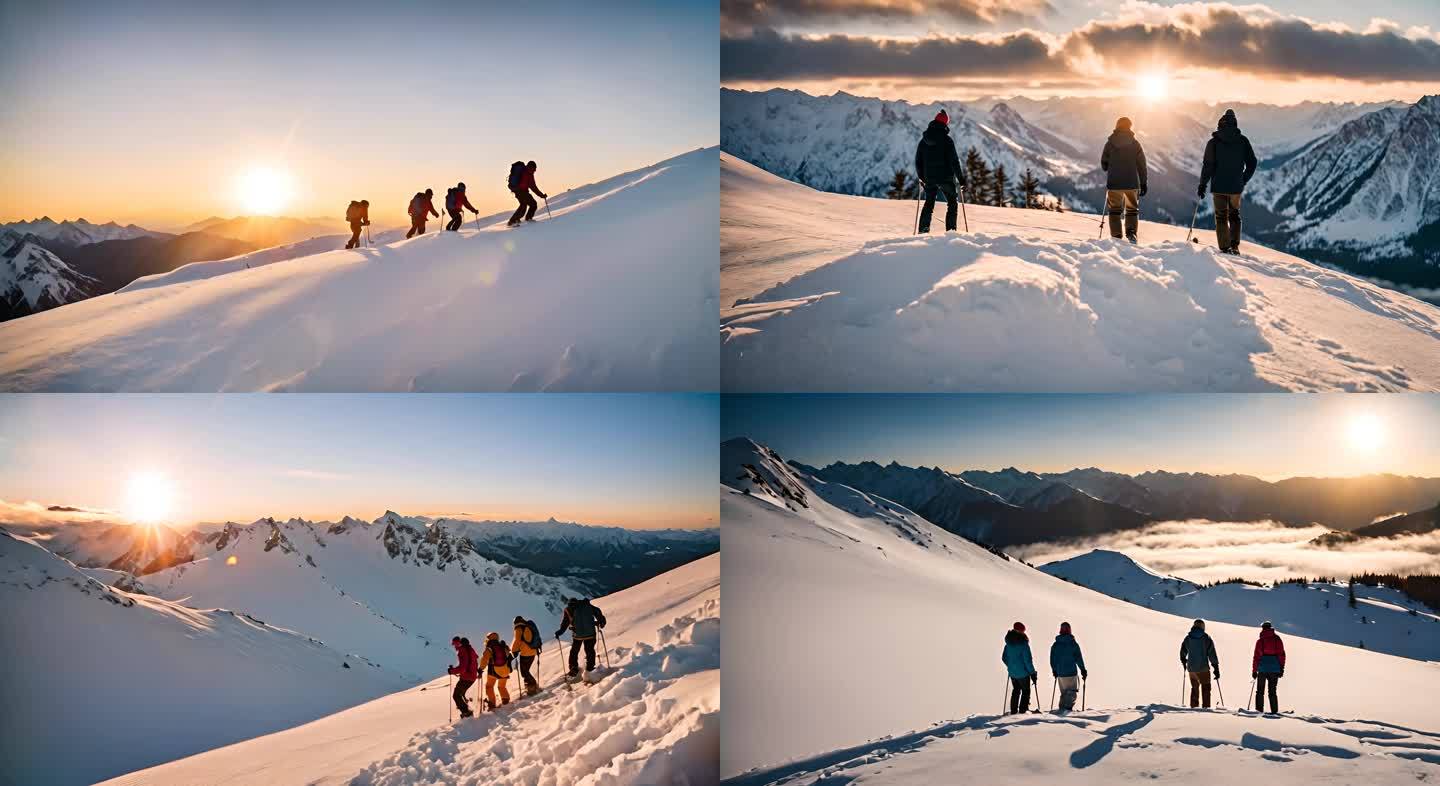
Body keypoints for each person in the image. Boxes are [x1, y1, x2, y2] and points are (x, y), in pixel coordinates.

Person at [1197, 109, 1259, 255]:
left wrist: (1202, 184)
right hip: (1236, 187)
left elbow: (1208, 165)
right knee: (1234, 215)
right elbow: (1252, 162)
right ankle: (1234, 245)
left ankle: (1224, 247)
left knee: (1221, 216)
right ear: (1235, 124)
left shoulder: (1213, 142)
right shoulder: (1243, 141)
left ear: (1220, 124)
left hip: (1218, 186)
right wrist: (1244, 178)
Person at [913, 110, 964, 234]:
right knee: (952, 203)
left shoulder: (924, 140)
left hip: (929, 178)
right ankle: (951, 232)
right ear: (945, 124)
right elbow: (954, 162)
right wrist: (961, 180)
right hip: (946, 178)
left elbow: (918, 161)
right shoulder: (947, 141)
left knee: (929, 203)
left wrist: (922, 178)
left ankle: (923, 230)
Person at [1100, 117, 1148, 242]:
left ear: (1117, 126)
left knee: (1115, 210)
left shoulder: (1110, 143)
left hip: (1114, 184)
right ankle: (1131, 233)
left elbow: (1104, 164)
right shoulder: (1135, 144)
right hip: (1132, 183)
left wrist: (1110, 166)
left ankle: (1116, 236)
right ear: (1129, 127)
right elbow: (1142, 165)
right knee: (1132, 209)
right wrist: (1143, 183)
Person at [556, 596, 607, 680]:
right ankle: (590, 668)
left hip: (578, 635)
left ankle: (574, 669)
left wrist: (560, 632)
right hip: (590, 634)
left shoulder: (568, 609)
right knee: (590, 650)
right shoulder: (587, 606)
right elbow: (597, 611)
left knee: (574, 651)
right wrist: (601, 621)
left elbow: (565, 622)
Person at [1180, 619, 1220, 708]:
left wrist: (1183, 659)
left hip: (1191, 669)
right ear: (1202, 627)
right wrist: (1215, 667)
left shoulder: (1188, 637)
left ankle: (1194, 707)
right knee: (1206, 688)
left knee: (1194, 689)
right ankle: (1206, 708)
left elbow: (1183, 649)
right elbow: (1211, 653)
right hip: (1203, 669)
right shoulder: (1206, 638)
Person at [1049, 621, 1088, 711]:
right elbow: (1078, 658)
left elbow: (1052, 659)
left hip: (1060, 673)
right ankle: (1066, 711)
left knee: (1064, 693)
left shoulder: (1056, 645)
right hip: (1071, 672)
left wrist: (1054, 670)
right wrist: (1083, 670)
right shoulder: (1073, 644)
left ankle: (1062, 710)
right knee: (1072, 693)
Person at [1002, 621, 1038, 714]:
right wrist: (1033, 673)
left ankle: (1013, 711)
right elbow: (1028, 661)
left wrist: (1011, 666)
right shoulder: (1024, 644)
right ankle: (1023, 712)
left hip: (1013, 673)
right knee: (1026, 691)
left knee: (1016, 690)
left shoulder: (1008, 644)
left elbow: (1004, 658)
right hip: (1023, 673)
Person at [1253, 621, 1286, 713]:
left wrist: (1254, 671)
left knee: (1260, 691)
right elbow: (1281, 655)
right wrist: (1281, 668)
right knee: (1272, 692)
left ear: (1263, 628)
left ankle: (1259, 711)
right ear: (1271, 628)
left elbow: (1256, 657)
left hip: (1262, 669)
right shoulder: (1277, 639)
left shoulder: (1260, 641)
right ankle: (1274, 711)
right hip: (1274, 669)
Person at [447, 635, 479, 719]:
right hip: (472, 676)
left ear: (459, 643)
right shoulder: (470, 650)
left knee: (456, 695)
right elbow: (473, 663)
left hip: (467, 677)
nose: (454, 646)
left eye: (455, 644)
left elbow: (462, 668)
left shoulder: (462, 651)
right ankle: (467, 707)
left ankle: (467, 713)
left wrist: (452, 671)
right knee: (461, 694)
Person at [478, 631, 512, 710]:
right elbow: (509, 655)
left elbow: (484, 660)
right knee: (501, 686)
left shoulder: (489, 648)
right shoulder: (503, 646)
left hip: (494, 671)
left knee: (489, 686)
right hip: (505, 670)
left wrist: (480, 669)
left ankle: (492, 704)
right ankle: (505, 699)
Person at [507, 161, 547, 227]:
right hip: (520, 191)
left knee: (531, 204)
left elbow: (533, 187)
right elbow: (533, 187)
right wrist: (541, 195)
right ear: (530, 167)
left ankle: (521, 219)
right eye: (534, 169)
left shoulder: (529, 174)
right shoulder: (526, 173)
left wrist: (541, 195)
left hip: (522, 191)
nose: (535, 170)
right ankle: (512, 221)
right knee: (525, 205)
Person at [512, 615, 542, 696]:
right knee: (526, 671)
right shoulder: (528, 626)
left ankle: (532, 686)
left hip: (525, 654)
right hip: (533, 652)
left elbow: (517, 641)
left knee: (524, 672)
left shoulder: (518, 628)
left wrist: (514, 651)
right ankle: (529, 685)